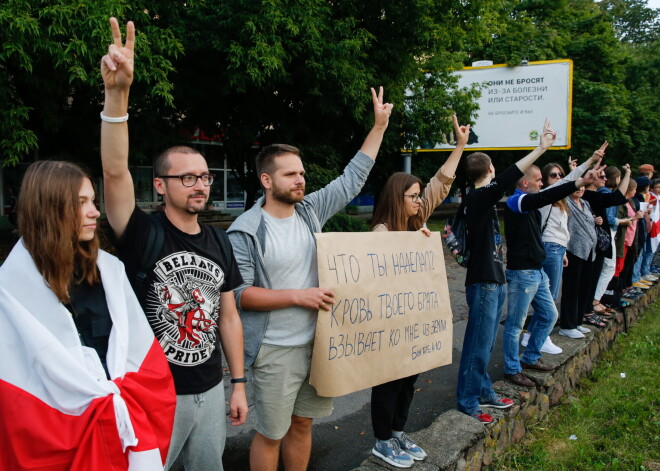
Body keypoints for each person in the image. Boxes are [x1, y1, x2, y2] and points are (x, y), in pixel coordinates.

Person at [100, 18, 248, 471]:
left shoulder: (220, 241)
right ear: (161, 185)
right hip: (152, 394)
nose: (200, 185)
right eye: (187, 177)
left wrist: (237, 383)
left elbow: (228, 315)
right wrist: (118, 95)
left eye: (203, 176)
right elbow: (114, 171)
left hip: (208, 390)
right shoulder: (142, 232)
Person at [227, 87, 393, 471]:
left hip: (319, 344)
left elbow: (352, 179)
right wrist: (298, 297)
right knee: (271, 432)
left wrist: (379, 127)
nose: (301, 180)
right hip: (274, 350)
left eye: (302, 173)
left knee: (302, 423)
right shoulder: (246, 230)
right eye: (291, 174)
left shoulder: (309, 210)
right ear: (267, 180)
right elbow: (239, 295)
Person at [0, 161, 176, 471]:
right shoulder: (10, 291)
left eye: (93, 201)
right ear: (49, 208)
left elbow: (140, 355)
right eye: (81, 203)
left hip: (123, 431)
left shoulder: (108, 272)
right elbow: (15, 389)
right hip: (55, 441)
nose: (95, 211)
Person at [367, 115, 468, 468]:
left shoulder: (417, 222)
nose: (418, 200)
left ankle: (398, 433)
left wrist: (459, 147)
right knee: (389, 382)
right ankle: (381, 440)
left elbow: (441, 184)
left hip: (414, 321)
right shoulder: (382, 232)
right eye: (412, 195)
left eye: (418, 196)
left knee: (409, 379)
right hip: (389, 324)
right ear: (399, 197)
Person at [456, 119, 556, 423]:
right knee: (477, 343)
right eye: (494, 169)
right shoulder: (477, 197)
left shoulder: (482, 200)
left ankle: (483, 390)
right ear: (489, 171)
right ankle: (468, 400)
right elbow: (509, 176)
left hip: (495, 280)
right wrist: (540, 148)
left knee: (486, 343)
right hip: (484, 282)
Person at [501, 155, 602, 388]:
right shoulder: (516, 202)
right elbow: (551, 193)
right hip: (522, 273)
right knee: (515, 325)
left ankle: (530, 357)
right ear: (525, 183)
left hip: (536, 270)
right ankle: (511, 368)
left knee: (549, 314)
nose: (541, 184)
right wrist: (579, 181)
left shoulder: (532, 203)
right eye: (538, 180)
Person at [521, 145, 606, 354]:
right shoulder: (545, 197)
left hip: (557, 249)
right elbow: (571, 182)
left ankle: (535, 335)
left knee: (548, 297)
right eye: (553, 175)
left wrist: (563, 250)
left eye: (560, 174)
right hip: (549, 248)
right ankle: (537, 337)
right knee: (548, 298)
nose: (558, 178)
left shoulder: (560, 202)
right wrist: (588, 162)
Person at [558, 185, 601, 338]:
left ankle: (577, 322)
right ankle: (567, 325)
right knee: (571, 288)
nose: (580, 189)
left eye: (582, 186)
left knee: (584, 288)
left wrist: (597, 220)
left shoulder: (586, 203)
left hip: (590, 251)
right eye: (577, 186)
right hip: (573, 251)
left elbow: (588, 220)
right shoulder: (566, 202)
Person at [589, 165, 632, 314]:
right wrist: (622, 221)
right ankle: (594, 301)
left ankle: (595, 300)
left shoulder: (601, 193)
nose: (605, 179)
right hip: (604, 236)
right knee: (606, 268)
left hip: (607, 235)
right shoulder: (601, 193)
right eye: (602, 177)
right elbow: (609, 217)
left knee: (607, 268)